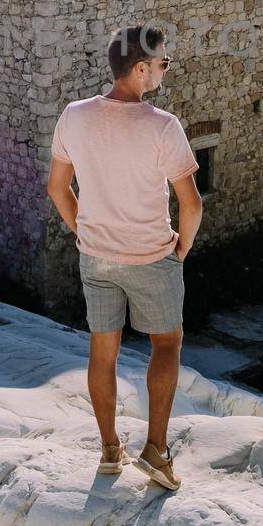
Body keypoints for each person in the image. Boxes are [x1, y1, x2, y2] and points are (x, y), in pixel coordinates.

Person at [47, 24, 202, 491]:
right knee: (166, 345)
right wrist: (183, 247)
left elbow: (58, 188)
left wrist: (83, 229)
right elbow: (192, 204)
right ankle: (156, 451)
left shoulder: (73, 116)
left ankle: (111, 449)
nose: (164, 71)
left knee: (103, 352)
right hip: (151, 255)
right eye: (162, 64)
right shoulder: (162, 126)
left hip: (96, 256)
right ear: (140, 69)